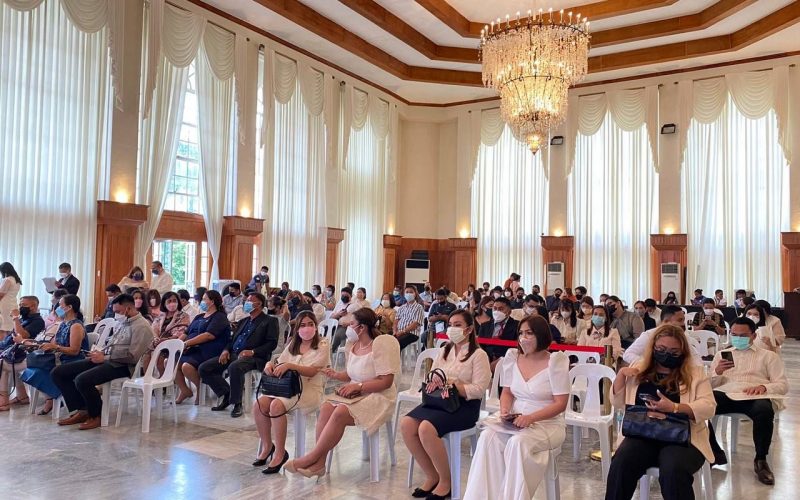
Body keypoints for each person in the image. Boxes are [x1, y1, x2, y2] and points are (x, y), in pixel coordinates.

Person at [284, 308, 400, 478]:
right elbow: (351, 374)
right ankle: (320, 463)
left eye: (351, 324)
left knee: (340, 411)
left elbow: (386, 381)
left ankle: (311, 458)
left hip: (378, 395)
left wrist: (359, 386)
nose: (348, 327)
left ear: (362, 327)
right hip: (356, 392)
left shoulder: (380, 345)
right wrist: (336, 375)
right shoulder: (353, 345)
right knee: (326, 407)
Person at [604, 324, 716, 500]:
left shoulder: (695, 373)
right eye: (661, 349)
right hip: (642, 432)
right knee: (621, 462)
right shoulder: (639, 367)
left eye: (673, 352)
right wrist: (621, 376)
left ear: (683, 352)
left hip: (683, 437)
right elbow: (617, 403)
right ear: (653, 347)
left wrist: (674, 408)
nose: (666, 354)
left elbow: (709, 407)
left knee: (673, 468)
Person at [464, 315, 569, 500]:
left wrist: (531, 418)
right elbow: (507, 392)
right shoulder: (513, 357)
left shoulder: (556, 361)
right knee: (488, 437)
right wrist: (505, 410)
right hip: (516, 419)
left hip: (547, 423)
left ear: (541, 335)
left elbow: (560, 404)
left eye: (529, 333)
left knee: (518, 443)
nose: (523, 338)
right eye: (521, 333)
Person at [403, 310, 491, 499]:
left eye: (458, 325)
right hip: (439, 400)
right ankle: (431, 475)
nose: (452, 328)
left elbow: (479, 389)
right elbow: (432, 373)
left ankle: (446, 481)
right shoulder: (445, 349)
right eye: (450, 324)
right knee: (407, 424)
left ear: (469, 329)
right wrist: (434, 379)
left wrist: (454, 386)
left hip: (464, 405)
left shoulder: (478, 355)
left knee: (426, 428)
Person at [51, 294, 152, 430]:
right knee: (59, 372)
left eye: (118, 311)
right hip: (108, 359)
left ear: (128, 309)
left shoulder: (141, 326)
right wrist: (100, 352)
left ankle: (95, 415)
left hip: (124, 366)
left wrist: (105, 358)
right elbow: (112, 344)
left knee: (82, 380)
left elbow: (133, 356)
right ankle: (82, 409)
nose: (115, 314)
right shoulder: (122, 322)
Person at [708, 317, 788, 484]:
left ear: (753, 335)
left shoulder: (769, 356)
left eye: (743, 335)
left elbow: (782, 385)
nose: (738, 338)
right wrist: (717, 372)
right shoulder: (722, 355)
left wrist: (764, 387)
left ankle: (761, 460)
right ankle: (713, 452)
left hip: (754, 396)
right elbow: (709, 385)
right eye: (734, 334)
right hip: (727, 393)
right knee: (701, 405)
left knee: (764, 411)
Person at [252, 311, 330, 473]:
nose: (306, 328)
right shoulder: (293, 344)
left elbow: (313, 371)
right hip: (287, 388)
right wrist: (270, 365)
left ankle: (280, 453)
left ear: (316, 327)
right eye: (303, 325)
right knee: (259, 404)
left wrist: (291, 366)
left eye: (310, 324)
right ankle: (268, 446)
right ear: (297, 328)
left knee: (276, 406)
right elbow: (280, 362)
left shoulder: (323, 345)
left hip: (309, 390)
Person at [200, 292, 278, 417]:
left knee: (235, 367)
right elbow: (231, 340)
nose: (246, 303)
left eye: (250, 300)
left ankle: (237, 403)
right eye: (246, 300)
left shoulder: (269, 321)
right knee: (204, 367)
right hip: (234, 353)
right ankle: (226, 394)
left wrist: (252, 352)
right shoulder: (243, 321)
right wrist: (226, 350)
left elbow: (271, 343)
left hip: (255, 357)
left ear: (259, 304)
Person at [21, 294, 89, 415]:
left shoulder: (76, 326)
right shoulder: (63, 324)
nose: (57, 308)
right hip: (61, 358)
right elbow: (56, 344)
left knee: (39, 371)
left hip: (74, 360)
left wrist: (55, 347)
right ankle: (52, 397)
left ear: (69, 307)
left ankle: (54, 398)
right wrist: (44, 346)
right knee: (33, 370)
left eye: (60, 305)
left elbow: (74, 351)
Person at [174, 290, 232, 405]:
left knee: (186, 366)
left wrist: (187, 344)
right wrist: (177, 344)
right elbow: (186, 333)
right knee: (170, 361)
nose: (202, 302)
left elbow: (209, 335)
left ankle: (200, 390)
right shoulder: (199, 316)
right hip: (194, 348)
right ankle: (184, 390)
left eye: (205, 299)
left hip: (209, 351)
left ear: (212, 302)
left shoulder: (219, 317)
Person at [0, 296, 45, 409]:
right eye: (20, 305)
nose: (20, 307)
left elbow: (22, 336)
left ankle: (3, 401)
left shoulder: (38, 321)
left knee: (1, 364)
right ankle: (22, 396)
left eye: (23, 305)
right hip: (12, 351)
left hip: (26, 355)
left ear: (33, 306)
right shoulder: (23, 319)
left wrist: (15, 318)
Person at [623, 306, 702, 366]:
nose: (683, 324)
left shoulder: (682, 336)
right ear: (666, 321)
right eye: (680, 320)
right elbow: (628, 354)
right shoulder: (649, 335)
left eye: (683, 320)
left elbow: (695, 357)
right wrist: (649, 365)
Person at [145, 291, 191, 375]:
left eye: (174, 301)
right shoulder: (161, 316)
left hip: (174, 343)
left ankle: (164, 380)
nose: (172, 303)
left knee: (161, 356)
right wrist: (156, 338)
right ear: (164, 303)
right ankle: (147, 377)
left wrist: (165, 340)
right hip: (159, 341)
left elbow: (182, 333)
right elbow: (154, 329)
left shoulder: (184, 316)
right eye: (169, 301)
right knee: (146, 353)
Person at [478, 297, 519, 369]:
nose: (497, 311)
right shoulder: (485, 326)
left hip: (507, 362)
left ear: (509, 312)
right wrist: (485, 358)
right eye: (495, 308)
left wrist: (501, 360)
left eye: (500, 309)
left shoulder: (517, 326)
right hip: (486, 360)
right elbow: (480, 345)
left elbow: (516, 348)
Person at [394, 286, 425, 351]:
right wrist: (395, 331)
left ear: (415, 294)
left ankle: (395, 357)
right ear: (404, 294)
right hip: (399, 332)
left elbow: (415, 324)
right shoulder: (402, 307)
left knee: (396, 343)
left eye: (411, 292)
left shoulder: (419, 307)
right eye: (407, 292)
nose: (409, 294)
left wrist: (402, 332)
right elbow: (396, 320)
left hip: (411, 333)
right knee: (387, 340)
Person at [0, 262, 22, 334]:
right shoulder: (17, 280)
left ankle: (3, 340)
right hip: (13, 303)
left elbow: (1, 294)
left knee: (3, 326)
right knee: (10, 325)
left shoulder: (7, 280)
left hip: (4, 304)